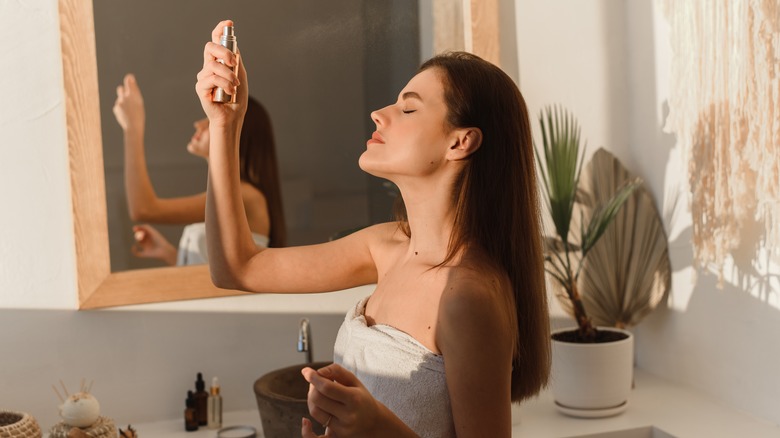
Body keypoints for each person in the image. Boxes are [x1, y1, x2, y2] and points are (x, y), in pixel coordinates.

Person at [196, 19, 550, 437]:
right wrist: (226, 124)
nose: (379, 114)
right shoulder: (385, 246)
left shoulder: (467, 296)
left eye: (408, 108)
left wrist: (378, 427)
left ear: (461, 142)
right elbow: (236, 268)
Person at [112, 74, 286, 265]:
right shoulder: (239, 195)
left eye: (210, 119)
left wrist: (133, 128)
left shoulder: (248, 196)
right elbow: (219, 272)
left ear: (238, 132)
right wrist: (170, 253)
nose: (198, 124)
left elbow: (143, 209)